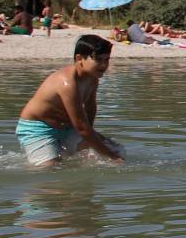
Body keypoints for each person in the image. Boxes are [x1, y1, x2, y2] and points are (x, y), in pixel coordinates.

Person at [14, 35, 125, 166]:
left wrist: (89, 138)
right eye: (98, 60)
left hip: (68, 128)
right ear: (79, 59)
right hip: (38, 128)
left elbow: (90, 108)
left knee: (116, 149)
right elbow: (81, 125)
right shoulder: (67, 83)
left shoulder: (93, 78)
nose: (104, 65)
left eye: (107, 59)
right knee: (50, 169)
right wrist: (111, 157)